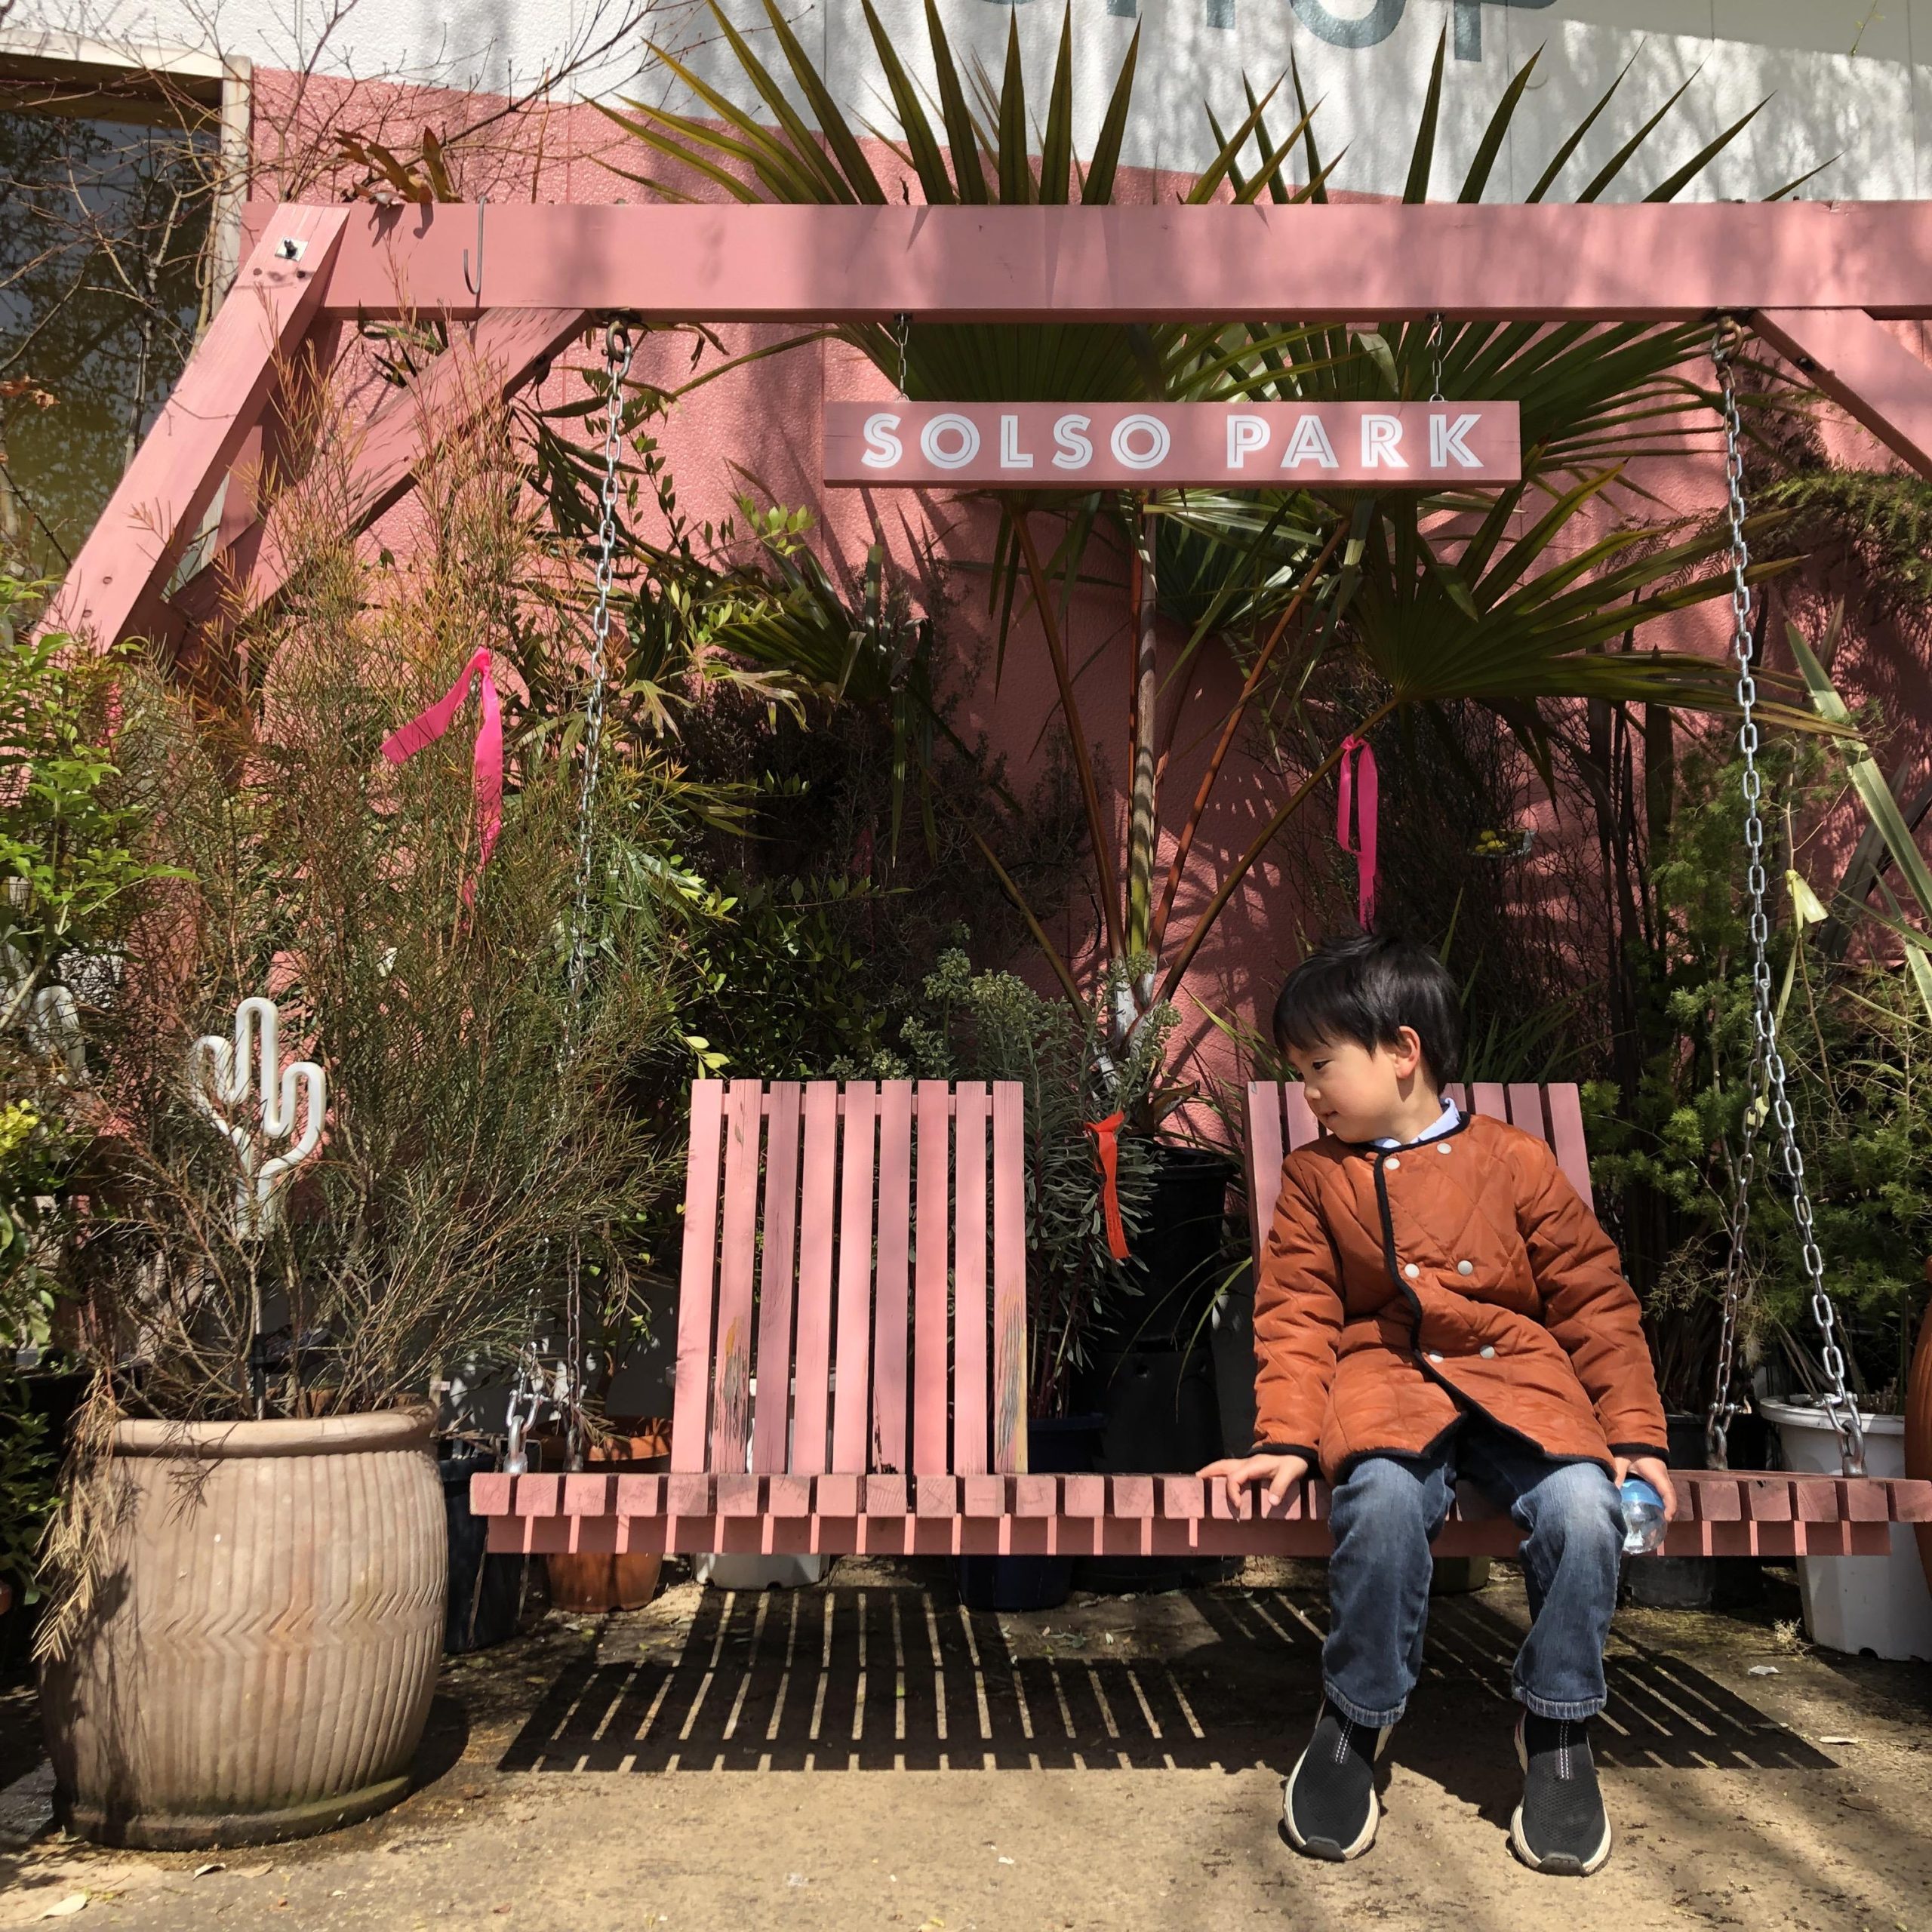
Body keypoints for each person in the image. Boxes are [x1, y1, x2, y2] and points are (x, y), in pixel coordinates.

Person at [1199, 932, 1675, 1878]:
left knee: (1584, 1512)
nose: (1309, 1092)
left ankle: (1557, 1724)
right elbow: (1297, 1311)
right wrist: (1285, 1438)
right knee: (1378, 1505)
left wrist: (1633, 1433)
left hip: (1521, 1385)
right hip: (1387, 1384)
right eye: (1298, 1074)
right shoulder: (1317, 1177)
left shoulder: (1514, 1160)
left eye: (1320, 1066)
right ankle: (1356, 1715)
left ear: (1402, 1052)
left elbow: (1592, 1298)